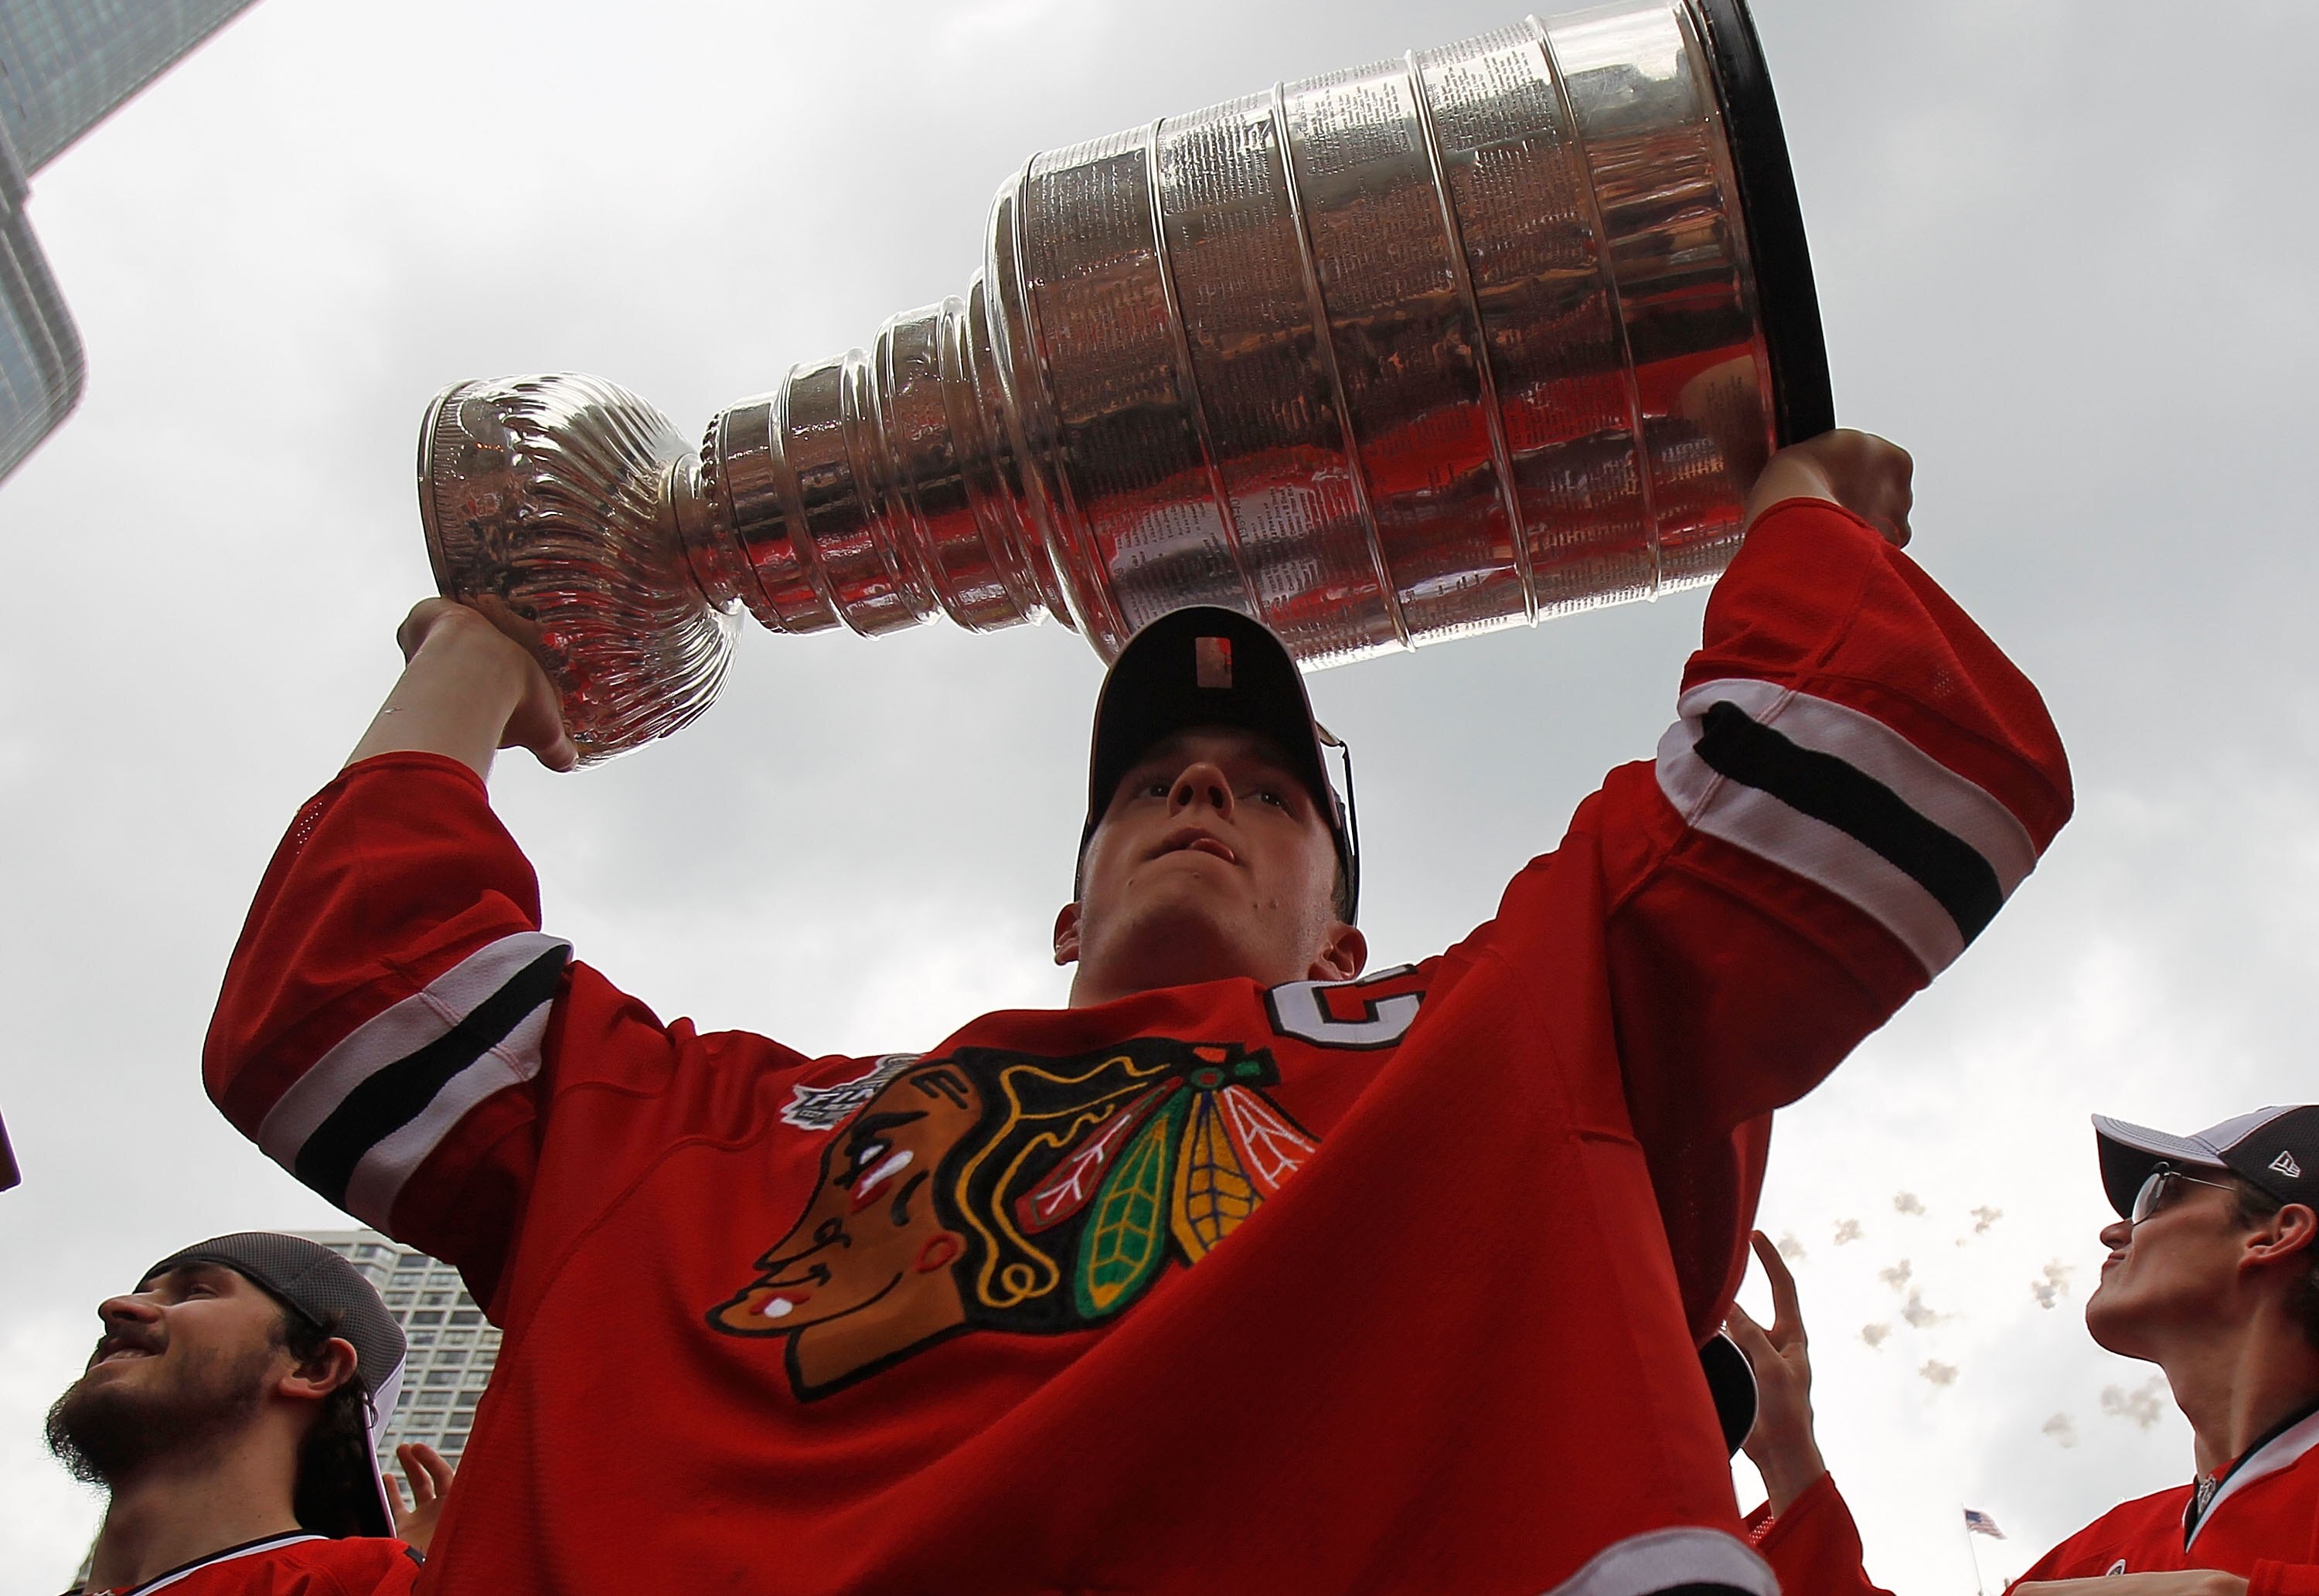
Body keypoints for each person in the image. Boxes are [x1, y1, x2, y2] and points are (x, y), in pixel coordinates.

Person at [203, 430, 2069, 1594]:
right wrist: (476, 660)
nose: (1200, 795)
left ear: (1349, 945)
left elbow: (1869, 761)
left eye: (1265, 794)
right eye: (1149, 781)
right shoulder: (721, 1123)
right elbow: (342, 1003)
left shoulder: (1512, 1024)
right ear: (1064, 902)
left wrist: (1790, 511)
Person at [1731, 1109, 2319, 1594]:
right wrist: (1787, 1458)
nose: (2114, 1232)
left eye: (2156, 1194)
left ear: (2275, 1233)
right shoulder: (2099, 1551)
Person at [45, 1231, 439, 1594]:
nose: (115, 1307)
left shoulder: (367, 1585)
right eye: (142, 1293)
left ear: (313, 1368)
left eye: (195, 1292)